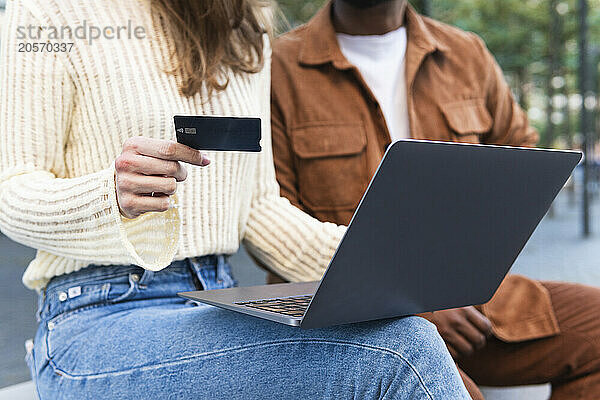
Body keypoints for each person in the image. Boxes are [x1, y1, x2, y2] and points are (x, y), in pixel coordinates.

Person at [0, 0, 472, 398]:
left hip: (218, 303)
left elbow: (259, 208)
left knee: (398, 336)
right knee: (399, 352)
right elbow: (11, 188)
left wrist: (378, 260)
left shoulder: (247, 21)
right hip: (97, 315)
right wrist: (109, 196)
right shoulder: (48, 11)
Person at [269, 0, 600, 399]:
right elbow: (272, 218)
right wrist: (416, 305)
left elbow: (520, 159)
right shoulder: (277, 68)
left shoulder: (465, 53)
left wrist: (464, 274)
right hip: (350, 325)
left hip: (472, 306)